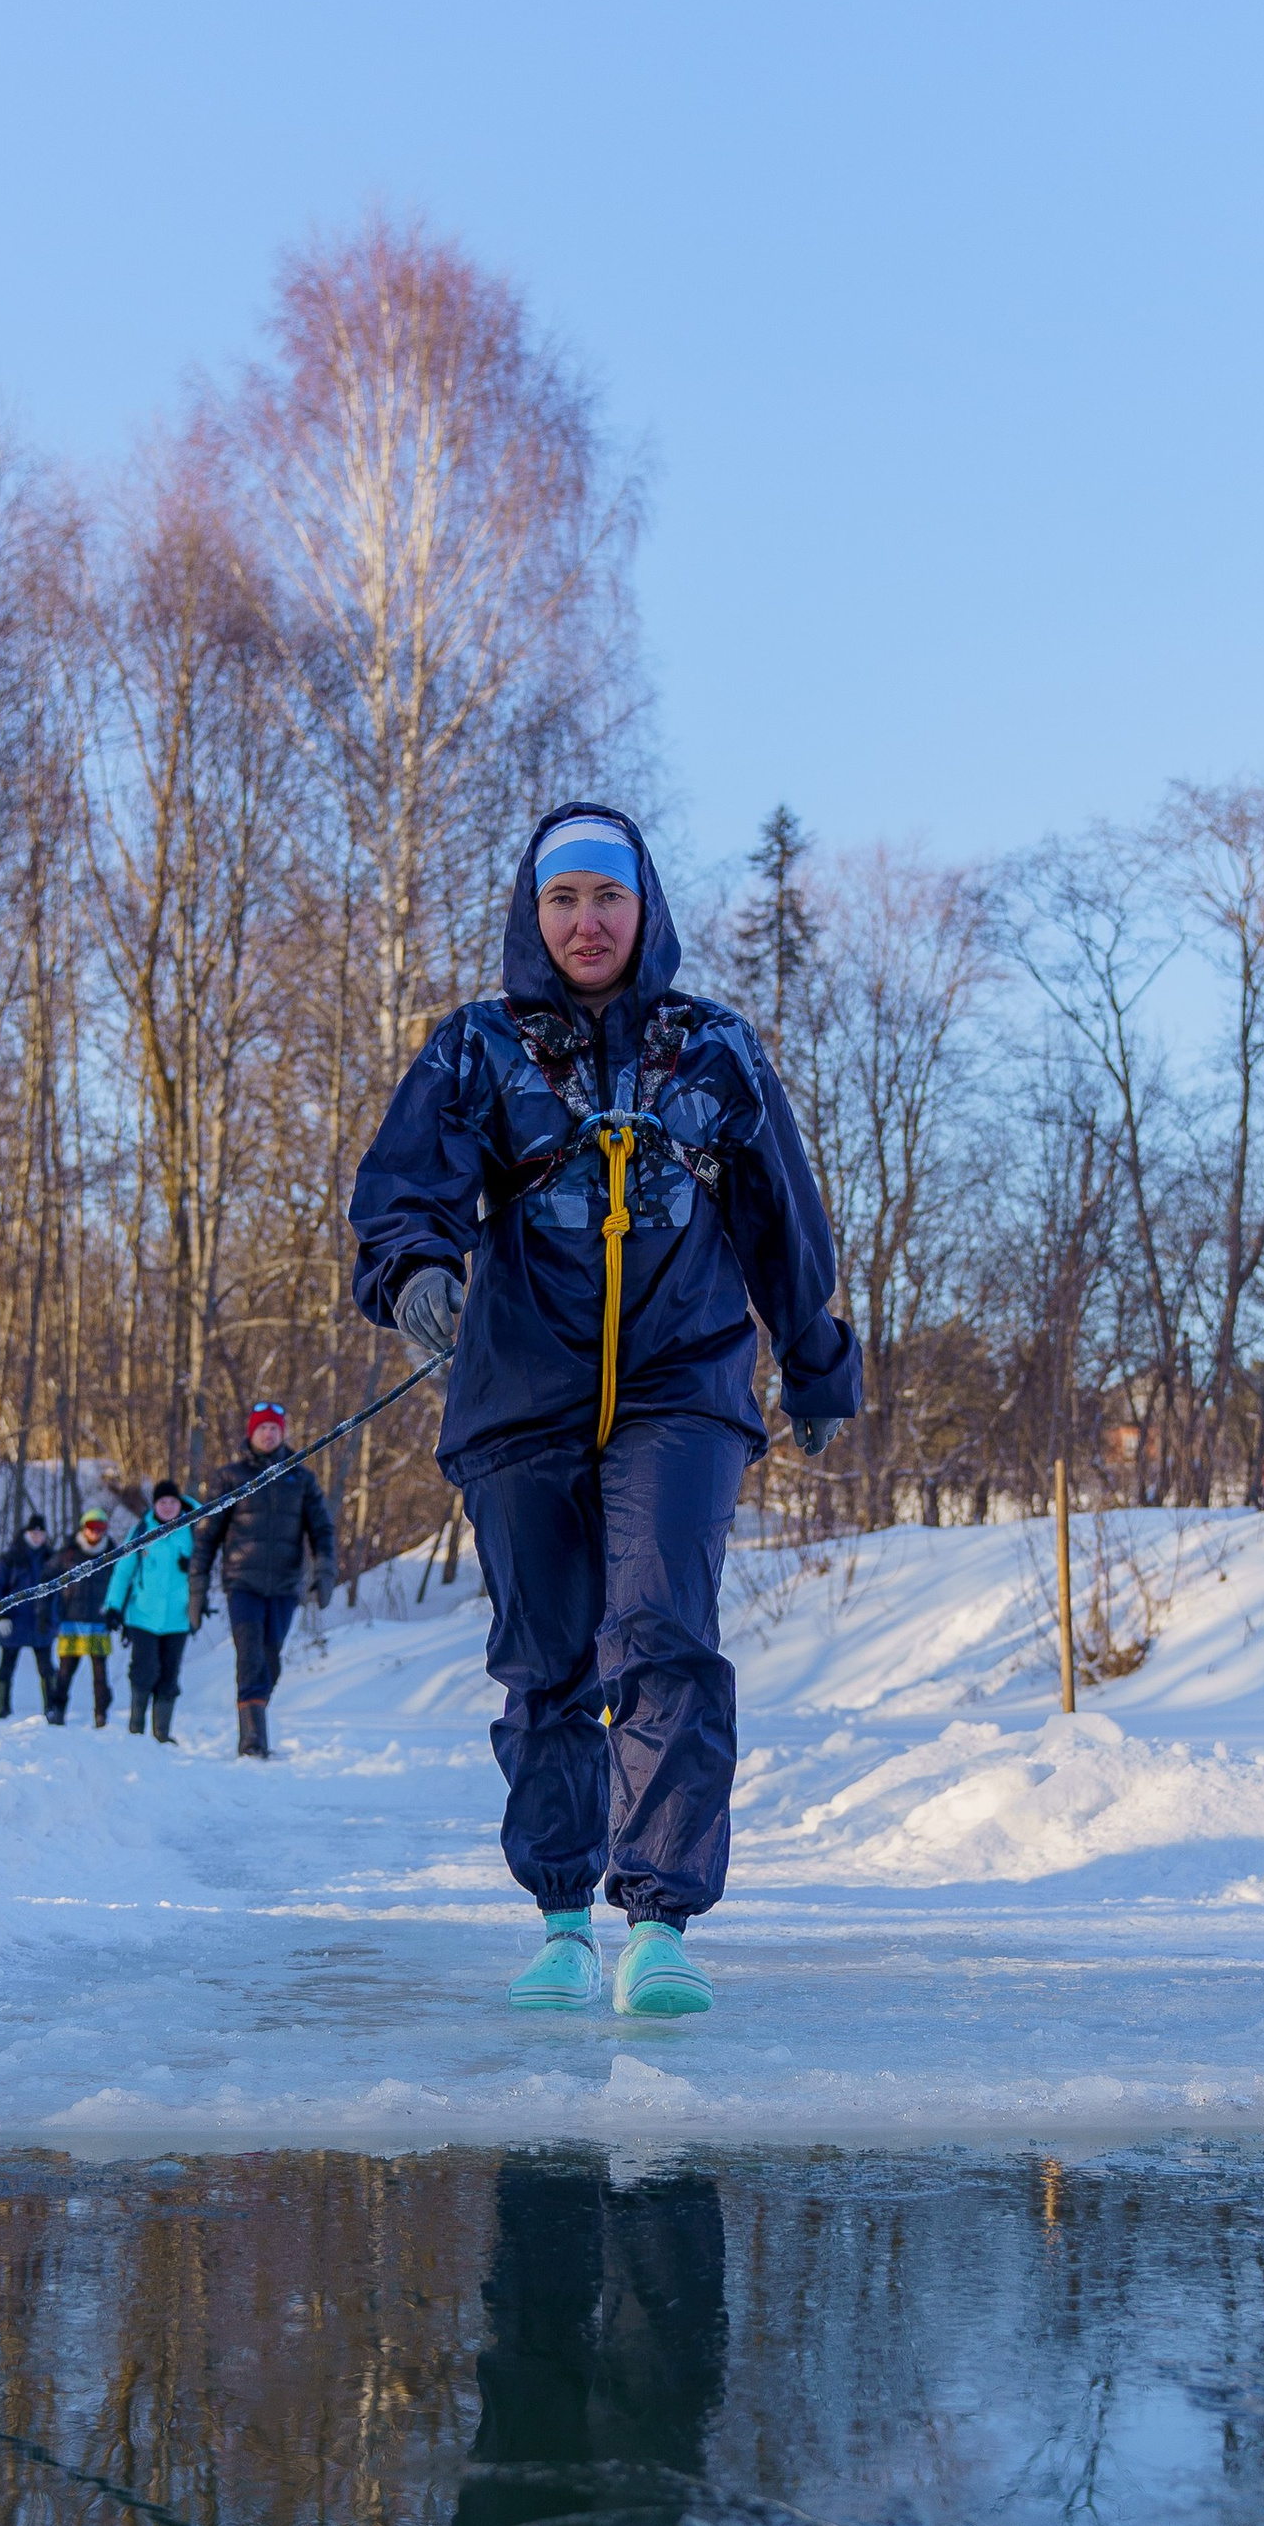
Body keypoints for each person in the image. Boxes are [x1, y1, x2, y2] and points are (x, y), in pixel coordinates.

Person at [349, 801, 857, 2018]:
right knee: (545, 1663)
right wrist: (415, 1273)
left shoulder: (712, 1048)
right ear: (534, 915)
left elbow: (782, 1215)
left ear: (645, 908)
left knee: (662, 1633)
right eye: (564, 900)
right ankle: (562, 1922)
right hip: (521, 1396)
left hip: (684, 1388)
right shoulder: (476, 1047)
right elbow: (404, 1189)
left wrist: (815, 1359)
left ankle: (661, 1925)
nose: (587, 922)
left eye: (608, 897)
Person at [194, 1399, 336, 1759]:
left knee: (270, 1660)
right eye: (262, 1428)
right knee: (250, 1655)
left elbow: (321, 1528)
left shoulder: (300, 1478)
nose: (269, 1434)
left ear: (283, 1433)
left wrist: (324, 1569)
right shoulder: (231, 1477)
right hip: (242, 1583)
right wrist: (198, 1586)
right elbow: (207, 1536)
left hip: (285, 1585)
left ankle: (253, 1719)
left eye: (274, 1428)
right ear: (251, 1433)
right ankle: (253, 1741)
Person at [106, 1480, 197, 1742]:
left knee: (169, 1674)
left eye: (172, 1502)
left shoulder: (193, 1529)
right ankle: (136, 1730)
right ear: (154, 1505)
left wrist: (192, 1565)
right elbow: (123, 1571)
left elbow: (207, 1565)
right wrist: (113, 1606)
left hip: (178, 1618)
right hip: (143, 1616)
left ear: (180, 1504)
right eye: (162, 1502)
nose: (168, 1507)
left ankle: (162, 1734)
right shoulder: (141, 1531)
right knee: (144, 1671)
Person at [0, 1510, 59, 1718]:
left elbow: (61, 1593)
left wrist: (55, 1618)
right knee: (6, 1668)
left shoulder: (52, 1559)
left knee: (47, 1669)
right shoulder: (10, 1557)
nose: (37, 1537)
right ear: (27, 1533)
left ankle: (51, 1708)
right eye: (34, 1533)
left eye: (41, 1533)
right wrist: (2, 1615)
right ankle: (2, 1709)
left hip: (42, 1623)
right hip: (14, 1622)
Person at [47, 1511, 117, 1727]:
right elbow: (47, 1578)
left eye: (100, 1527)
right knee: (65, 1671)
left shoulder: (113, 1554)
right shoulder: (68, 1554)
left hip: (99, 1621)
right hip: (71, 1621)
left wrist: (116, 1613)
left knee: (100, 1674)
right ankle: (57, 1711)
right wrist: (48, 1612)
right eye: (91, 1526)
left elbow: (121, 1583)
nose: (95, 1532)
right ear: (83, 1527)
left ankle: (101, 1715)